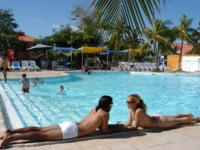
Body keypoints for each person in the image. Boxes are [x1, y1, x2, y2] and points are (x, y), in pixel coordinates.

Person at [0, 95, 120, 148]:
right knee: (41, 136)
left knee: (40, 129)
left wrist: (112, 125)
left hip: (71, 124)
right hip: (72, 131)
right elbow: (104, 131)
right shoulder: (105, 114)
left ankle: (10, 132)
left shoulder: (96, 109)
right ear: (109, 104)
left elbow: (96, 125)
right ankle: (10, 138)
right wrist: (117, 128)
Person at [121, 94, 200, 130]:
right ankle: (188, 114)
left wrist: (121, 128)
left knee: (180, 121)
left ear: (136, 103)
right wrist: (118, 126)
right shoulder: (131, 110)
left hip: (161, 122)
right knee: (173, 116)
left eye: (129, 102)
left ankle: (196, 118)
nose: (128, 104)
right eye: (127, 102)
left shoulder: (138, 111)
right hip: (155, 118)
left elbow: (135, 127)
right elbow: (129, 123)